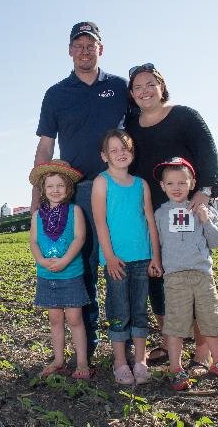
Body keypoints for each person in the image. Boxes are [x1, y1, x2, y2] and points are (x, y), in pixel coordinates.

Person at [32, 22, 128, 363]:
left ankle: (124, 343)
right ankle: (88, 347)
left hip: (116, 187)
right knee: (83, 267)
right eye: (79, 45)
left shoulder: (119, 87)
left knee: (119, 263)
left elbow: (137, 134)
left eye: (91, 45)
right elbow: (46, 146)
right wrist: (36, 201)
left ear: (101, 49)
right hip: (79, 190)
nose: (85, 50)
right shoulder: (56, 94)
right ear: (70, 50)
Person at [125, 63, 218, 370]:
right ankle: (172, 344)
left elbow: (209, 155)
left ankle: (202, 351)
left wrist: (204, 193)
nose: (144, 91)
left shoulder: (185, 116)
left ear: (161, 87)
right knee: (160, 278)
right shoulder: (130, 125)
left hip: (190, 209)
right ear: (131, 94)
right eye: (138, 87)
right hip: (154, 213)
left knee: (193, 278)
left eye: (150, 84)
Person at [153, 157, 218, 390]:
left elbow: (217, 241)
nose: (177, 188)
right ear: (163, 186)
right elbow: (156, 242)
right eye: (170, 183)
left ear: (192, 184)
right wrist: (156, 262)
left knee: (210, 318)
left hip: (202, 275)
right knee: (176, 323)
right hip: (175, 277)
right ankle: (176, 368)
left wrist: (205, 219)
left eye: (182, 182)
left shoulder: (205, 208)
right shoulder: (160, 214)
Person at [91, 129, 162, 385]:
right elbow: (100, 222)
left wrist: (155, 256)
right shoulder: (102, 182)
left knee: (140, 309)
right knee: (119, 309)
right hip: (116, 261)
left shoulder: (141, 184)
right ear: (104, 156)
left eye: (125, 148)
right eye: (114, 150)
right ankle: (120, 361)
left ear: (132, 152)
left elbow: (150, 222)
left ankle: (140, 360)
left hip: (143, 257)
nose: (120, 154)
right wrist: (109, 256)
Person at [29, 159, 91, 380]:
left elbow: (79, 238)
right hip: (46, 275)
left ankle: (82, 361)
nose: (55, 190)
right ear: (43, 190)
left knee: (75, 319)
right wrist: (41, 261)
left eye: (60, 186)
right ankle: (58, 360)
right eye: (50, 186)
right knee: (55, 319)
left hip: (70, 273)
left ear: (68, 188)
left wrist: (64, 260)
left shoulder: (75, 211)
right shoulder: (38, 215)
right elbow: (34, 242)